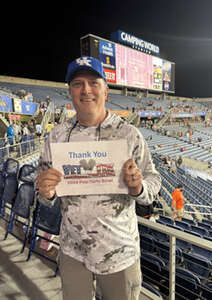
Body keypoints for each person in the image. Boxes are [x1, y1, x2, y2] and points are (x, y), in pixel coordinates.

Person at [35, 56, 161, 300]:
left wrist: (138, 188)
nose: (86, 90)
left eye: (94, 82)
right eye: (78, 83)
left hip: (119, 252)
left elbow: (153, 182)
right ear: (70, 91)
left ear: (106, 90)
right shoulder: (57, 136)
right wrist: (45, 190)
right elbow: (42, 188)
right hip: (73, 250)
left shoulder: (128, 134)